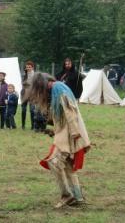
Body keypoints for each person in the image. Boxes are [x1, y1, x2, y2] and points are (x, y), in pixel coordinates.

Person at [27, 73, 91, 208]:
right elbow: (61, 115)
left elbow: (69, 111)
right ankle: (77, 197)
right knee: (67, 164)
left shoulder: (58, 89)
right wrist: (54, 130)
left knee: (54, 162)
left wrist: (74, 132)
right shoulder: (57, 89)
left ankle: (67, 195)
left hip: (70, 134)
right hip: (66, 132)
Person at [21, 61, 36, 130]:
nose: (28, 68)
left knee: (32, 110)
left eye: (29, 67)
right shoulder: (24, 74)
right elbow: (23, 83)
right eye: (27, 67)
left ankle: (33, 125)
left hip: (32, 94)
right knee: (23, 110)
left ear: (32, 67)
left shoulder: (35, 75)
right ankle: (23, 125)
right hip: (24, 93)